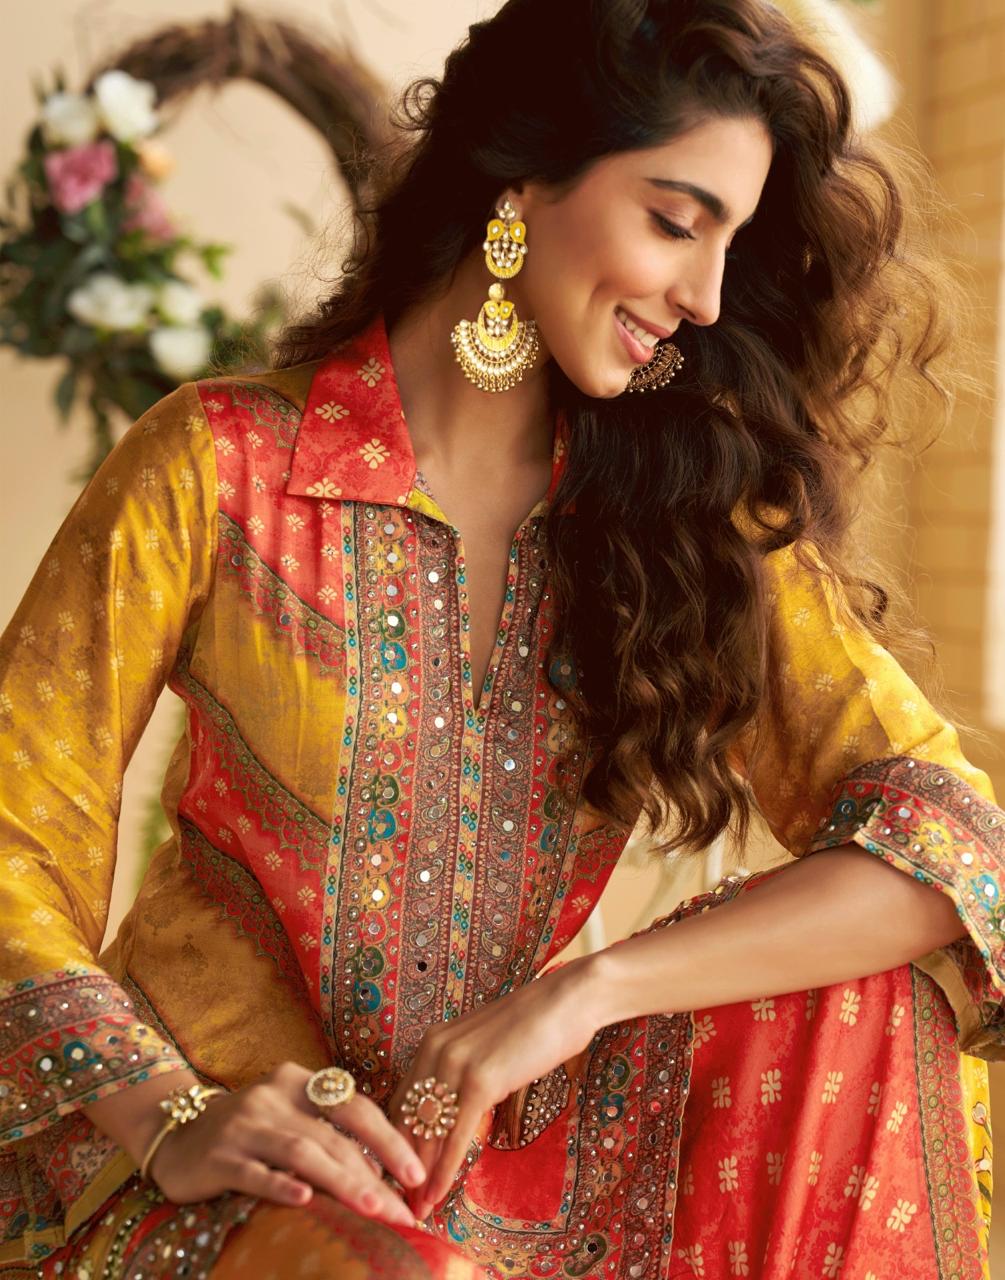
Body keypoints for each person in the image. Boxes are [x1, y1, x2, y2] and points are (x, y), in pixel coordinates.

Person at [0, 0, 1000, 1276]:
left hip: (494, 1156)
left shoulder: (682, 521)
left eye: (728, 248)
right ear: (522, 180)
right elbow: (14, 838)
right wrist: (167, 1115)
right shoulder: (220, 467)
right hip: (238, 1156)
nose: (702, 296)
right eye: (675, 221)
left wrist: (581, 994)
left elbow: (942, 837)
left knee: (862, 997)